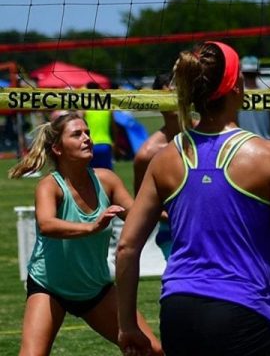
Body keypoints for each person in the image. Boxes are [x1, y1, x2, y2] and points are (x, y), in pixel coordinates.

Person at [116, 41, 270, 356]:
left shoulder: (165, 157)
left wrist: (127, 325)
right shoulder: (267, 156)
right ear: (237, 87)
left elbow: (126, 247)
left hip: (178, 308)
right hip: (242, 308)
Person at [8, 112, 162, 356]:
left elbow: (140, 215)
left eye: (88, 133)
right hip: (50, 287)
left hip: (95, 289)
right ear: (58, 148)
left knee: (152, 351)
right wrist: (92, 227)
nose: (87, 138)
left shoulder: (107, 180)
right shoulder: (49, 185)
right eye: (77, 134)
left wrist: (179, 212)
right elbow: (47, 225)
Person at [132, 72, 180, 259]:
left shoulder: (208, 135)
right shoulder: (147, 154)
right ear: (156, 102)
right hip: (173, 232)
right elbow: (141, 206)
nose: (173, 101)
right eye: (167, 96)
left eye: (177, 95)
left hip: (213, 226)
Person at [237, 56, 270, 141]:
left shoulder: (236, 94)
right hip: (266, 143)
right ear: (258, 72)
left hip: (244, 145)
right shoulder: (268, 92)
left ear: (242, 72)